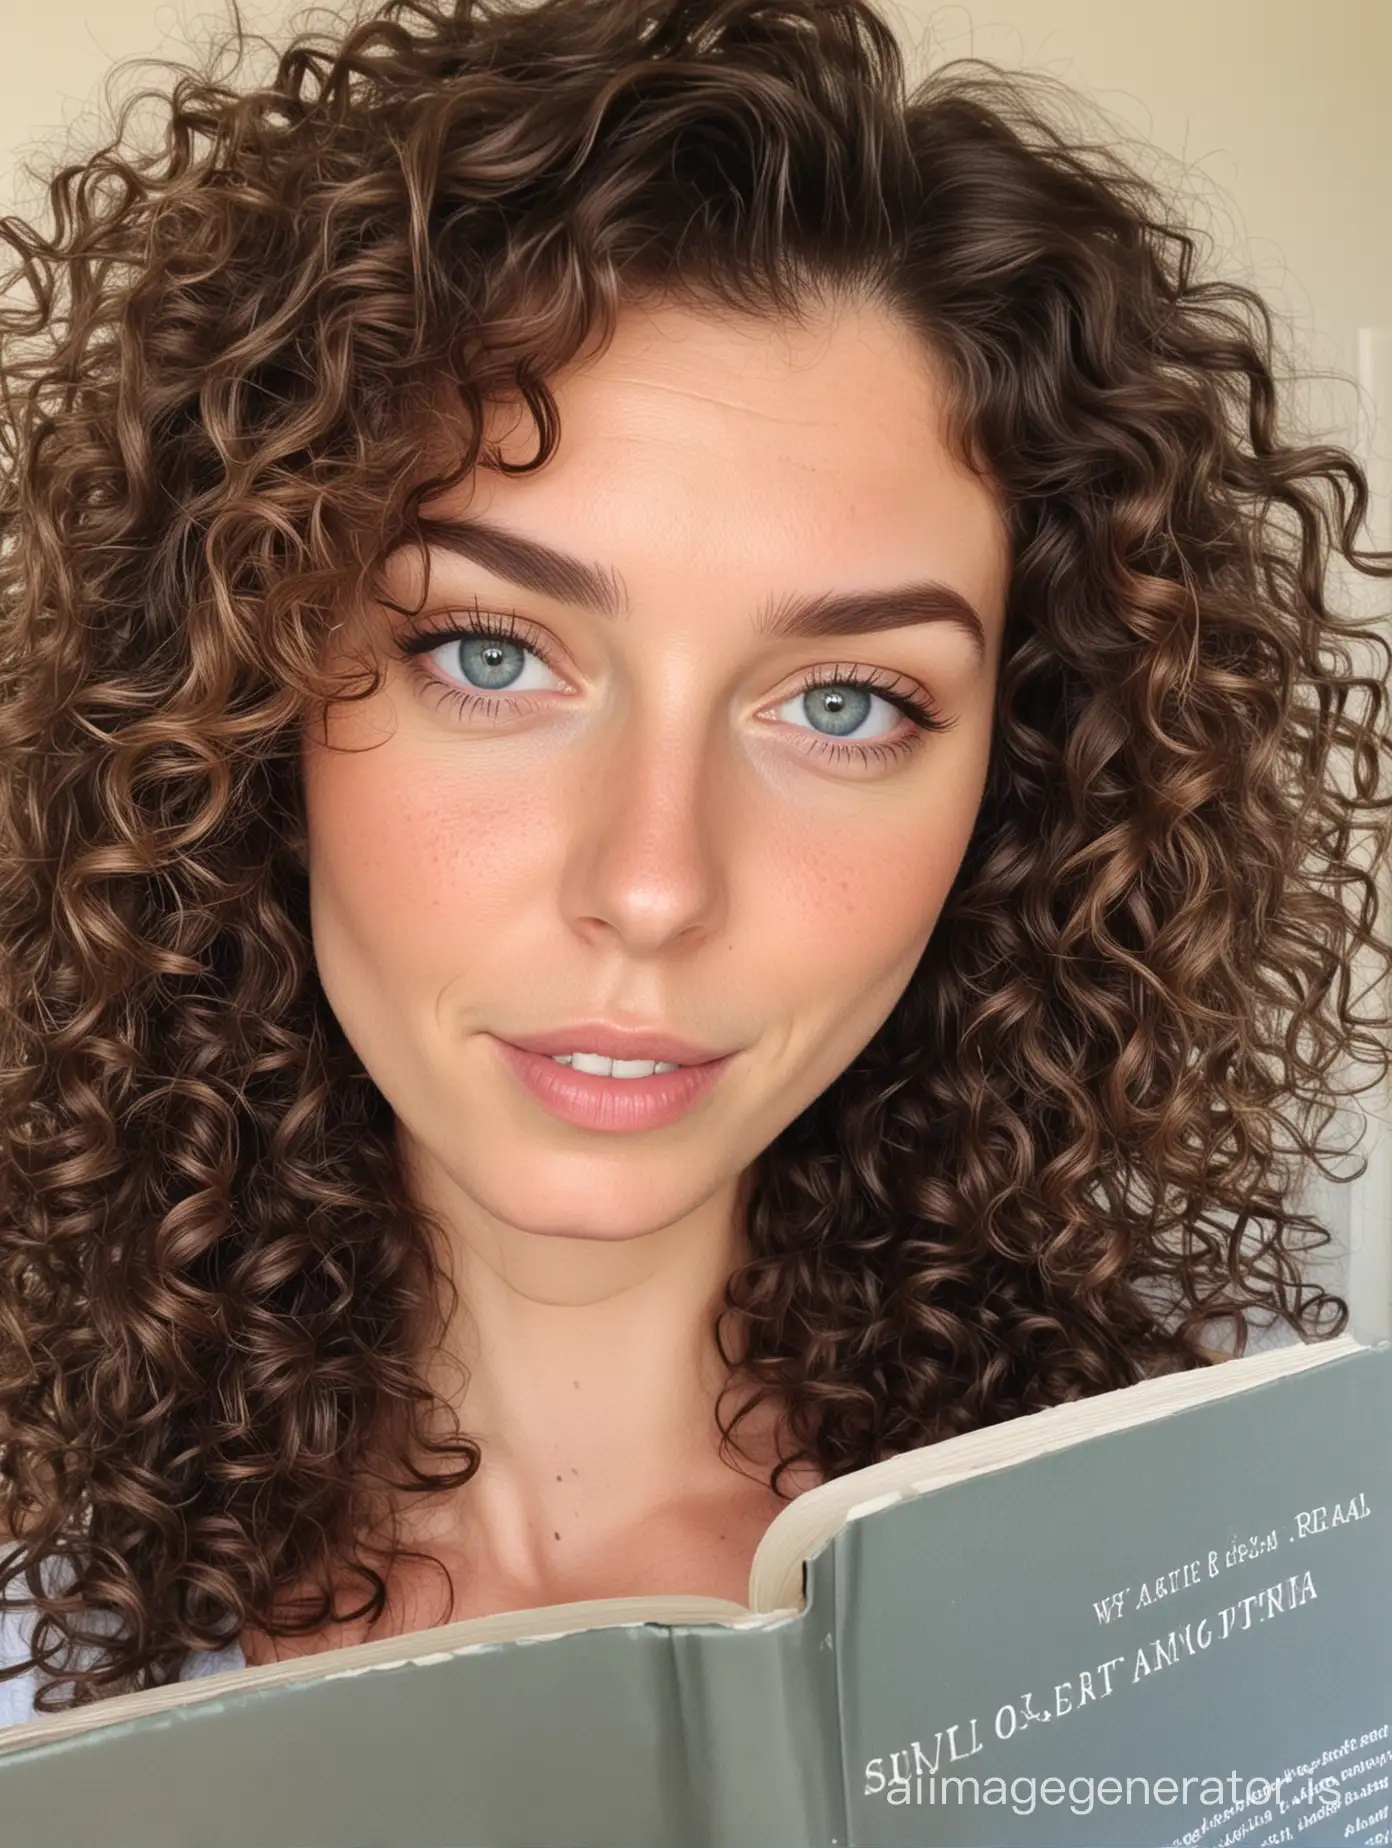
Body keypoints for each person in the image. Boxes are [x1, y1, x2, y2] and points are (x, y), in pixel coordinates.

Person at [0, 0, 1387, 1721]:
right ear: (232, 693)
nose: (654, 886)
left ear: (1023, 786)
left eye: (845, 702)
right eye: (490, 657)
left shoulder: (1267, 1557)